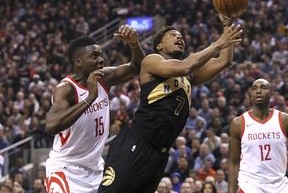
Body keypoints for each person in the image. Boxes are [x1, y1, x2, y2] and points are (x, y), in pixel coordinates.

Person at [98, 14, 242, 193]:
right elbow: (184, 66)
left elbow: (224, 61)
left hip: (160, 153)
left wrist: (227, 25)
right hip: (137, 142)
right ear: (159, 45)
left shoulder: (188, 75)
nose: (179, 37)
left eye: (181, 36)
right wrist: (218, 43)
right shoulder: (152, 60)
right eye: (173, 35)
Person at [44, 24, 145, 192]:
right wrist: (90, 98)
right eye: (94, 56)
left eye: (101, 55)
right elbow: (51, 126)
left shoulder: (103, 78)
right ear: (78, 63)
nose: (101, 60)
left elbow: (137, 68)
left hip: (96, 169)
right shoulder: (66, 89)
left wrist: (134, 44)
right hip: (66, 168)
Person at [229, 78, 288, 193]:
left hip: (279, 185)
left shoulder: (284, 120)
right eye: (254, 88)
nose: (258, 91)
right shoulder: (238, 123)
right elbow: (234, 162)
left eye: (263, 87)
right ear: (250, 95)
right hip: (249, 184)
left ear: (271, 94)